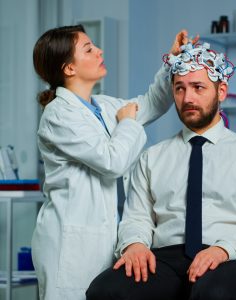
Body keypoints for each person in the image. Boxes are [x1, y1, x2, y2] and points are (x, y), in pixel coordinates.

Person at [86, 42, 236, 300]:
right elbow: (137, 218)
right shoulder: (152, 158)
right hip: (163, 259)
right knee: (106, 290)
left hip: (225, 258)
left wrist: (223, 250)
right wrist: (134, 244)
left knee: (216, 293)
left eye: (198, 87)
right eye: (180, 88)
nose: (188, 98)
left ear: (221, 91)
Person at [31, 24, 198, 300]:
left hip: (107, 238)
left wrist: (172, 61)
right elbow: (112, 160)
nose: (99, 51)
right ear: (69, 68)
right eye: (88, 49)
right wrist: (129, 123)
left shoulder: (104, 106)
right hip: (71, 246)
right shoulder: (58, 115)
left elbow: (152, 102)